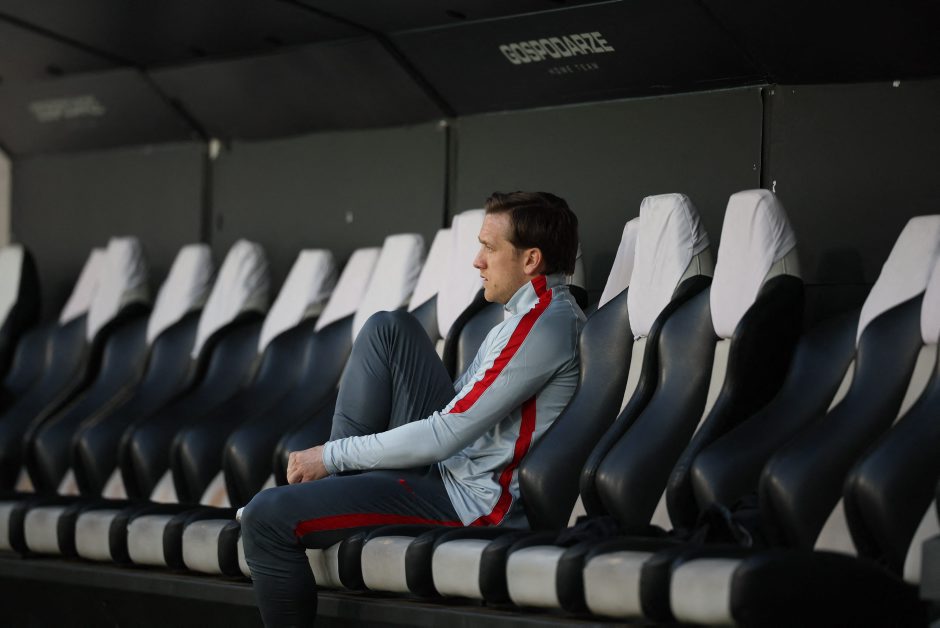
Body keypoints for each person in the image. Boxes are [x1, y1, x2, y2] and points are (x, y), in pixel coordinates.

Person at [241, 191, 585, 626]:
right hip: (445, 474)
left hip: (472, 506)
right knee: (389, 328)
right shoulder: (523, 315)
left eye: (490, 248)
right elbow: (454, 409)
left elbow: (447, 432)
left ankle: (314, 497)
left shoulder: (543, 326)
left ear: (531, 259)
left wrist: (330, 456)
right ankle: (323, 496)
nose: (477, 261)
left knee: (266, 518)